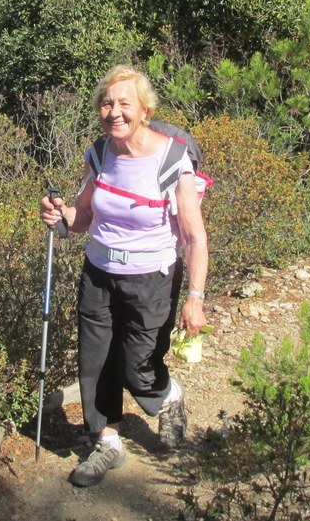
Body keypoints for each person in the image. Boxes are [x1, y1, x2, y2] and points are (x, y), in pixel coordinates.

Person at [39, 64, 209, 488]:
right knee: (96, 363)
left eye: (124, 104)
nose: (114, 112)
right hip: (98, 273)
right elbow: (82, 217)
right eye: (106, 103)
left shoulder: (172, 160)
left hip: (151, 278)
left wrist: (196, 297)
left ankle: (168, 399)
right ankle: (107, 442)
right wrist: (60, 215)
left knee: (138, 368)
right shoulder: (100, 154)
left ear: (144, 109)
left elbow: (193, 236)